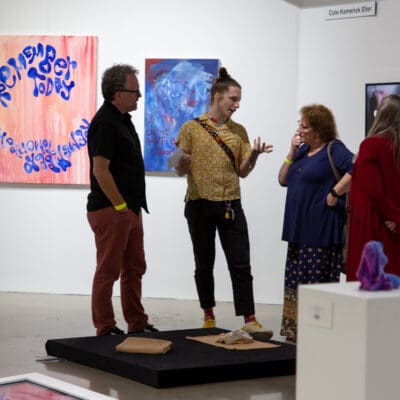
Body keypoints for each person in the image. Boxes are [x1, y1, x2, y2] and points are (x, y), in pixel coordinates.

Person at [175, 67, 274, 337]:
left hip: (230, 202)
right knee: (204, 263)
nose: (237, 104)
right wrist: (182, 163)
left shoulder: (238, 131)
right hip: (199, 203)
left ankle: (250, 318)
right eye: (233, 99)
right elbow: (178, 168)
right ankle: (208, 314)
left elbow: (242, 171)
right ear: (218, 97)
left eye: (239, 99)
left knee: (241, 263)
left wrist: (253, 154)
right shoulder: (191, 128)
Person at [86, 64, 157, 336]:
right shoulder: (105, 123)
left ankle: (136, 322)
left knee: (135, 267)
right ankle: (105, 327)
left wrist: (131, 209)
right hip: (111, 209)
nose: (139, 96)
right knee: (109, 271)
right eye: (134, 91)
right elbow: (100, 170)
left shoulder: (123, 120)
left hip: (130, 209)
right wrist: (119, 207)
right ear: (117, 93)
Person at [278, 104, 353, 342]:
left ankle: (318, 333)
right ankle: (295, 331)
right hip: (297, 229)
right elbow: (282, 179)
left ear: (319, 130)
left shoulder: (334, 149)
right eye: (299, 124)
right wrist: (291, 150)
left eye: (304, 125)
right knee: (295, 283)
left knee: (316, 282)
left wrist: (335, 192)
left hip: (321, 228)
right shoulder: (301, 152)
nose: (299, 129)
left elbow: (358, 168)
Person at [346, 94, 400, 281]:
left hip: (374, 222)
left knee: (370, 281)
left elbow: (374, 191)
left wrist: (393, 217)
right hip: (392, 223)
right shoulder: (392, 146)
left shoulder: (371, 144)